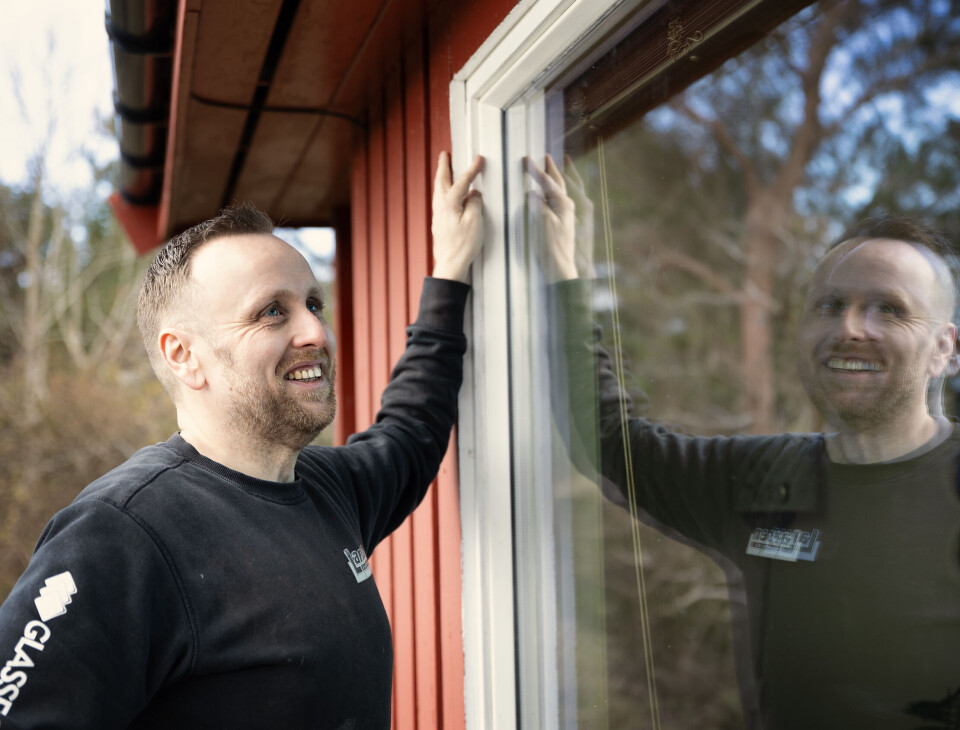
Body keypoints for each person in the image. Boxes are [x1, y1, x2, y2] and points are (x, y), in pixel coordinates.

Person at [0, 152, 484, 729]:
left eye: (312, 304)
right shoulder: (122, 533)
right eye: (271, 312)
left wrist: (450, 274)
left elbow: (411, 432)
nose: (315, 331)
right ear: (184, 355)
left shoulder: (328, 491)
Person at [528, 155, 960, 729]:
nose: (851, 327)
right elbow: (610, 442)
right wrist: (569, 278)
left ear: (944, 351)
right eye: (830, 306)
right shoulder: (765, 479)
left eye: (890, 309)